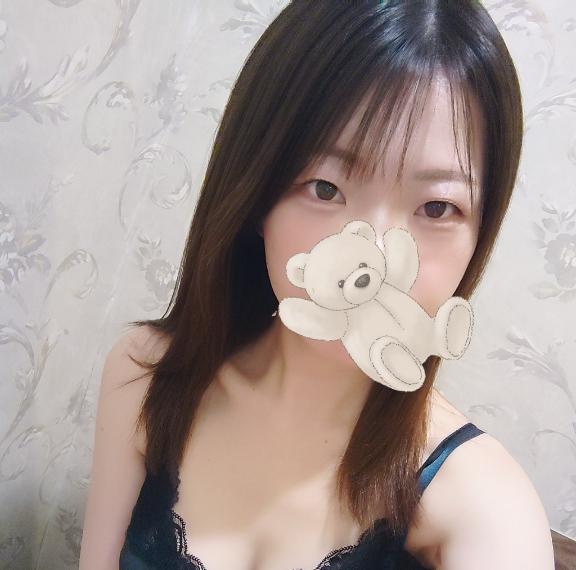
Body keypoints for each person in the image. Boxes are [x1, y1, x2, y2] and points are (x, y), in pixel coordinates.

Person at [79, 1, 555, 568]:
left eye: (436, 207)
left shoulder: (485, 507)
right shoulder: (145, 374)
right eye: (326, 188)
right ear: (256, 194)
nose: (376, 258)